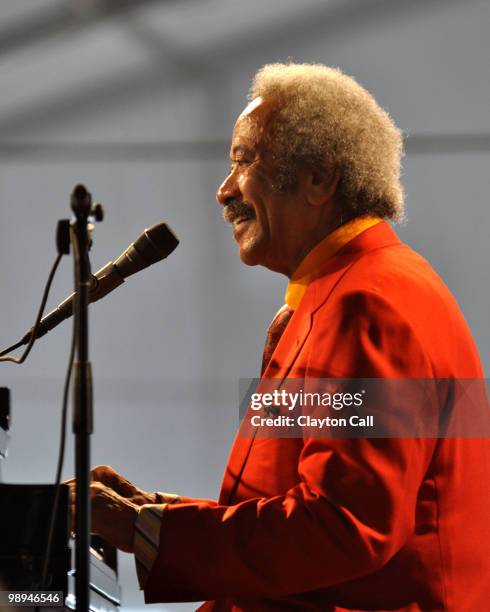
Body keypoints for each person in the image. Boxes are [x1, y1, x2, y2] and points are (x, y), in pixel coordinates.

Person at [68, 63, 490, 611]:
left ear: (319, 178)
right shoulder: (348, 292)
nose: (223, 192)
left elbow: (344, 526)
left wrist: (148, 529)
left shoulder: (368, 304)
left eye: (244, 160)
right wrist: (156, 513)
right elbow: (298, 504)